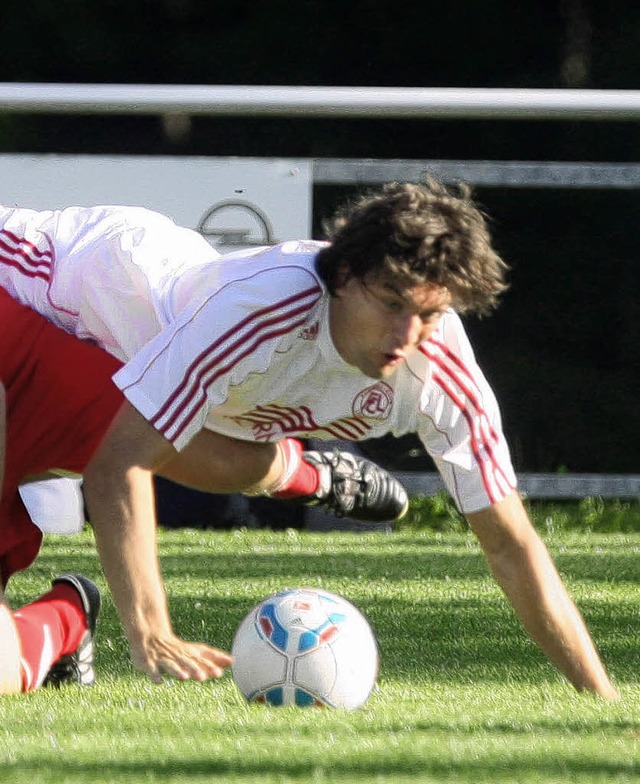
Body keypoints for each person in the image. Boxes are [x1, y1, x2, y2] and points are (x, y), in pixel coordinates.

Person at [0, 179, 618, 699]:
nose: (408, 334)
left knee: (191, 437)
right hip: (50, 283)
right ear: (343, 277)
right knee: (163, 436)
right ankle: (308, 476)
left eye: (430, 313)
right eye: (391, 302)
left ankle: (59, 623)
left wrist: (601, 700)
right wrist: (151, 631)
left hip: (113, 377)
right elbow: (120, 467)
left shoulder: (440, 373)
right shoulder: (262, 309)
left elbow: (511, 545)